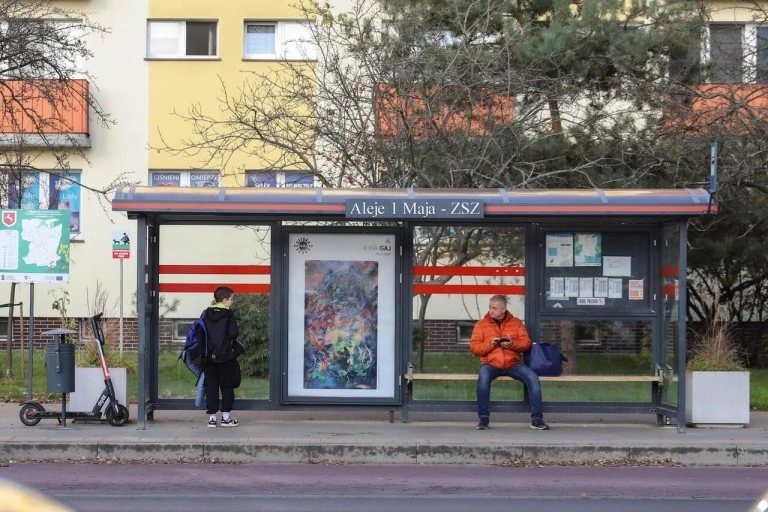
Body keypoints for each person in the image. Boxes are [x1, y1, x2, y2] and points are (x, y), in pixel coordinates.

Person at [469, 294, 549, 431]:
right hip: (491, 363)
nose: (490, 311)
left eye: (494, 308)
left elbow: (526, 344)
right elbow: (474, 348)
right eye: (489, 307)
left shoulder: (516, 323)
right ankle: (483, 419)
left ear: (503, 309)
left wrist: (512, 344)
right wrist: (491, 345)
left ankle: (537, 419)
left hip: (513, 364)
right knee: (483, 378)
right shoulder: (481, 325)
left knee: (533, 378)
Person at [202, 286, 241, 428]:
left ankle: (212, 419)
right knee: (227, 386)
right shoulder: (229, 314)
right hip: (225, 357)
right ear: (225, 300)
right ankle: (226, 417)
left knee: (211, 386)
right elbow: (233, 333)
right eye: (231, 299)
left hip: (208, 358)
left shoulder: (206, 313)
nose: (232, 301)